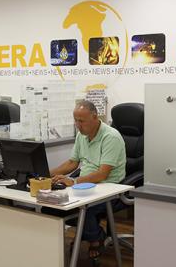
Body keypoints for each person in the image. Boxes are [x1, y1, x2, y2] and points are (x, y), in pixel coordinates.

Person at [50, 100, 126, 259]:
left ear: (94, 116)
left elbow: (102, 174)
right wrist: (47, 174)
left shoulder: (111, 137)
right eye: (75, 120)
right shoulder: (82, 135)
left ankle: (95, 237)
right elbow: (72, 162)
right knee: (51, 205)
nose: (77, 125)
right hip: (86, 184)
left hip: (109, 188)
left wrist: (74, 182)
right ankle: (94, 234)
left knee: (84, 208)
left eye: (81, 121)